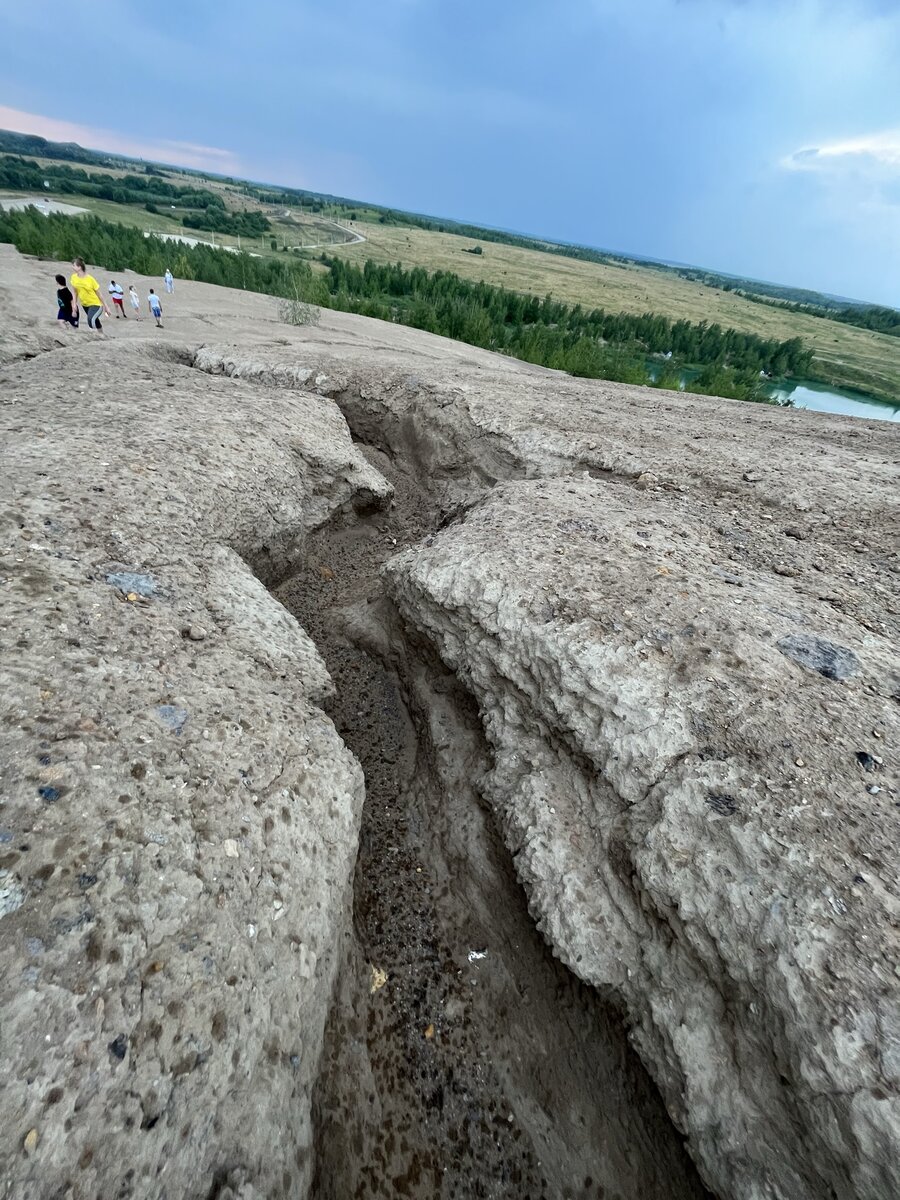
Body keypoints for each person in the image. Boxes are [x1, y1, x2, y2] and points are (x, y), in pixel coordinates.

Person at [69, 258, 108, 333]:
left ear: (79, 267)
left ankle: (93, 336)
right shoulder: (73, 277)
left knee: (91, 319)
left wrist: (106, 307)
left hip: (96, 304)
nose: (72, 267)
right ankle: (102, 335)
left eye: (74, 265)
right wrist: (74, 304)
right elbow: (75, 292)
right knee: (95, 320)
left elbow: (99, 293)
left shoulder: (90, 279)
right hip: (85, 304)